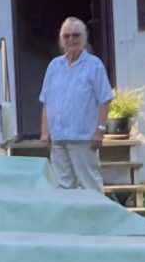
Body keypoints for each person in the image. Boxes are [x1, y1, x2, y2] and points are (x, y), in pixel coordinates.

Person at [37, 17, 113, 190]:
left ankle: (96, 217)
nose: (71, 39)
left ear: (84, 38)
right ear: (61, 39)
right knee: (62, 187)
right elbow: (46, 101)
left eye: (76, 35)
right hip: (58, 137)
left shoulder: (94, 65)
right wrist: (44, 131)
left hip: (83, 137)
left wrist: (100, 131)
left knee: (90, 184)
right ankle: (68, 218)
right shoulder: (54, 66)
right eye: (66, 36)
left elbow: (105, 99)